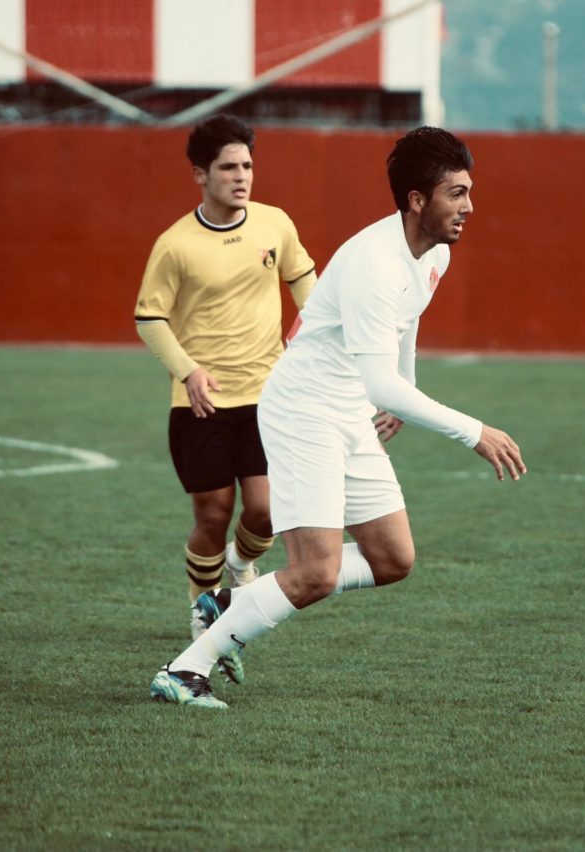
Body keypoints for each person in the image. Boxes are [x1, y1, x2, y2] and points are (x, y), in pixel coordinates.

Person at [150, 126, 526, 708]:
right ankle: (185, 670)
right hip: (304, 412)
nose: (469, 206)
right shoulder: (375, 263)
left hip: (347, 411)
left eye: (469, 191)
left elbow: (406, 325)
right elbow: (380, 382)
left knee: (393, 558)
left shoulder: (435, 253)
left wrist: (404, 390)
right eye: (456, 193)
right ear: (416, 200)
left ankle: (230, 603)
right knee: (314, 573)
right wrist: (474, 432)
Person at [135, 113, 317, 683]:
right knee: (213, 514)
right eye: (228, 168)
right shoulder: (175, 245)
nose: (242, 177)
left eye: (247, 166)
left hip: (268, 396)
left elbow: (304, 281)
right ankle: (202, 609)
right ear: (200, 174)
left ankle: (241, 564)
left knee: (266, 510)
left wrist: (313, 333)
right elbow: (149, 317)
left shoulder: (274, 223)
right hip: (202, 404)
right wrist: (187, 371)